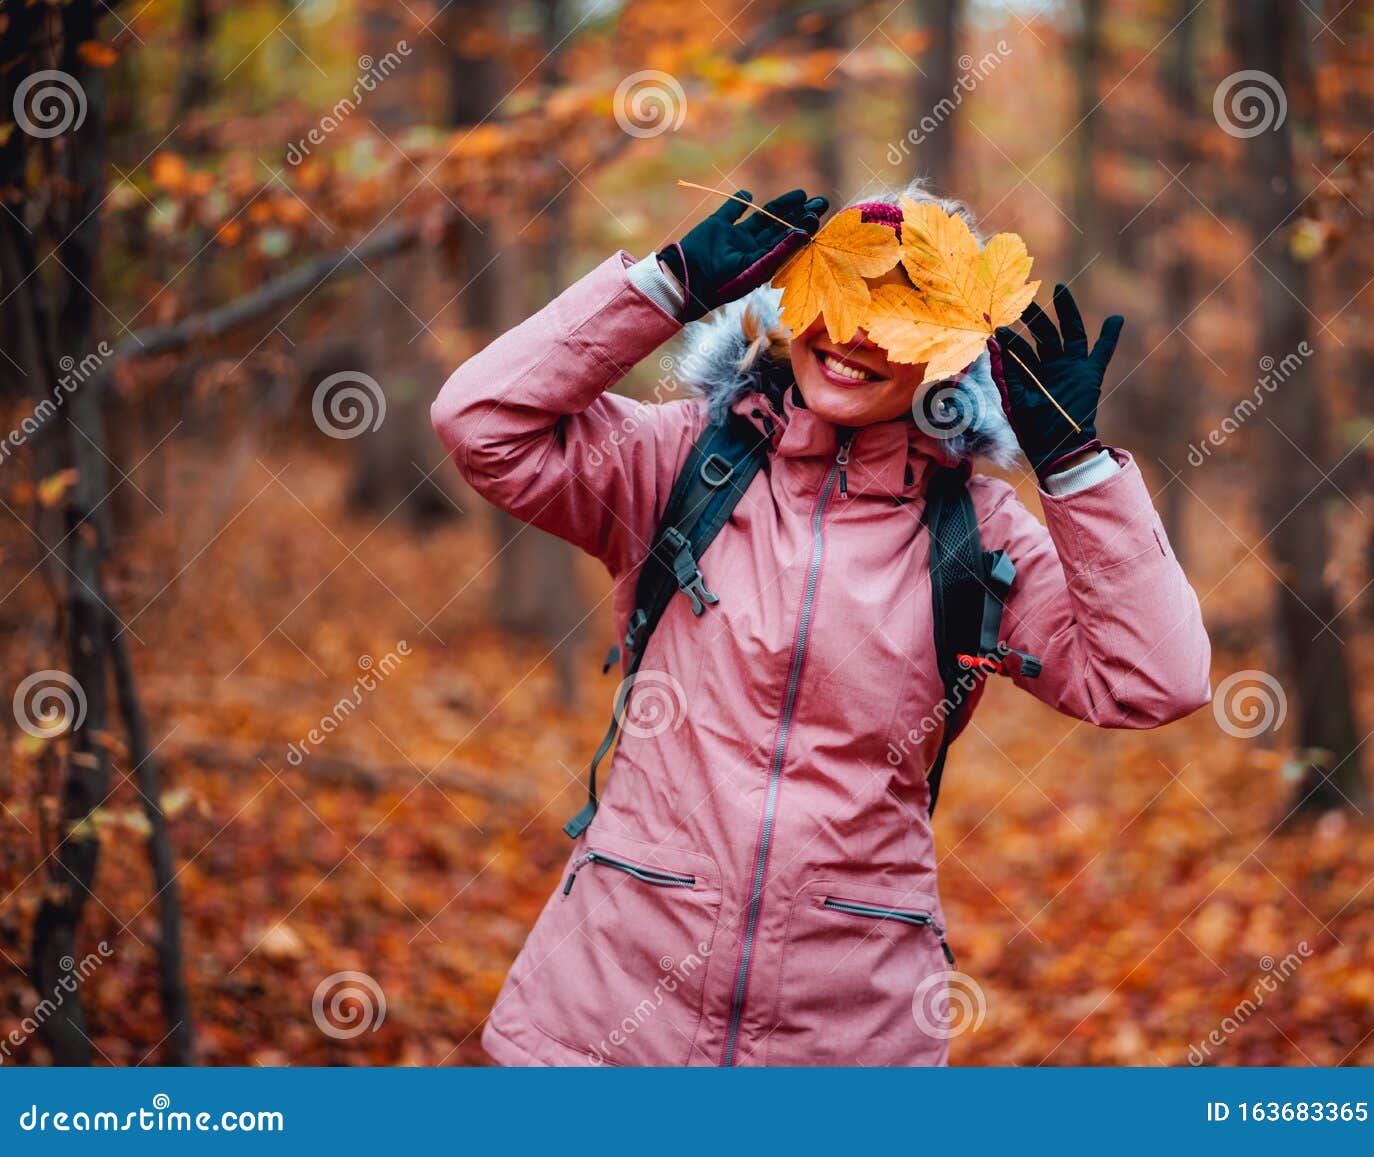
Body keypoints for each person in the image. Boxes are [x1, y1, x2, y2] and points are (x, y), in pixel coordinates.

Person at [431, 185, 1212, 1066]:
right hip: (610, 1004)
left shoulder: (976, 531)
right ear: (787, 300)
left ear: (952, 349)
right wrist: (664, 286)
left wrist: (1072, 469)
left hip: (847, 1028)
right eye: (837, 296)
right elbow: (481, 423)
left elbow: (1155, 680)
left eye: (900, 315)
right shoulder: (681, 460)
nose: (851, 335)